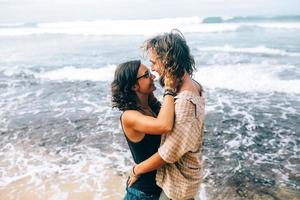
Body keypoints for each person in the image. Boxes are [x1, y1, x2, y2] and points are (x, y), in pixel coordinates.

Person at [128, 30, 205, 200]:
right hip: (186, 178)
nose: (153, 69)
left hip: (178, 187)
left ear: (168, 61)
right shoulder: (193, 85)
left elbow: (167, 153)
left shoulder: (185, 100)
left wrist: (136, 170)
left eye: (154, 63)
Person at [111, 60, 178, 200]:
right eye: (147, 74)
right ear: (134, 86)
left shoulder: (150, 105)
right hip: (142, 194)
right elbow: (165, 125)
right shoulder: (129, 116)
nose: (153, 76)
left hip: (159, 190)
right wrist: (169, 89)